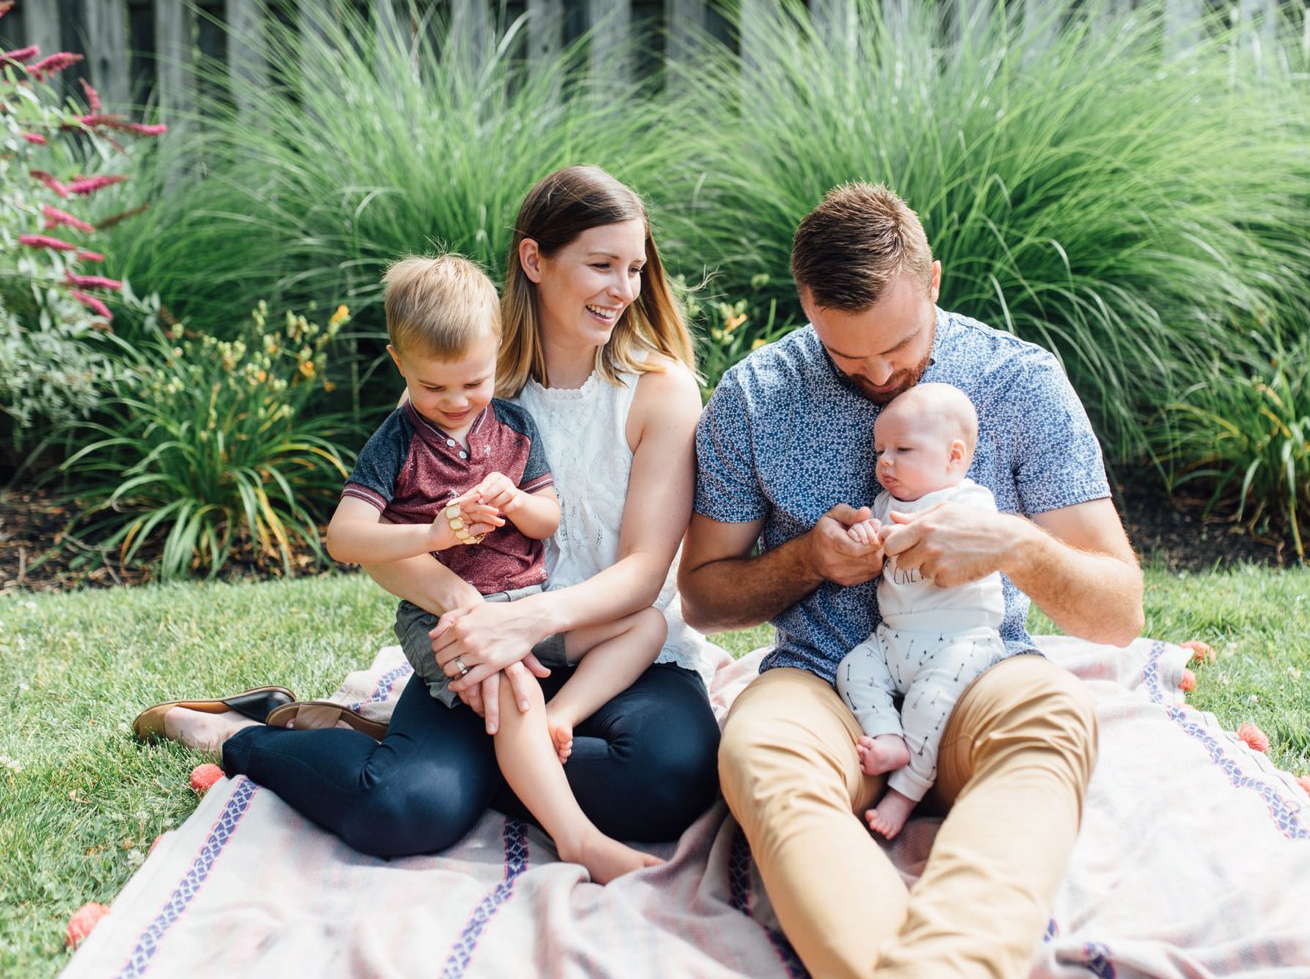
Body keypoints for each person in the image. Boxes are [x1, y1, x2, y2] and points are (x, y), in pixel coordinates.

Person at [135, 165, 720, 870]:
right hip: (473, 635)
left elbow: (644, 572)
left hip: (615, 650)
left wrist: (524, 624)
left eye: (633, 268)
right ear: (535, 260)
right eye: (600, 265)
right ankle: (231, 732)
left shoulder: (659, 389)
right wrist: (468, 610)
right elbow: (375, 542)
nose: (622, 290)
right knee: (403, 808)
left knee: (669, 778)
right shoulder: (465, 378)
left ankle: (450, 756)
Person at [678, 182, 1143, 978]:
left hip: (977, 669)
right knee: (758, 751)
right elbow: (703, 597)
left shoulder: (1019, 382)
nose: (881, 373)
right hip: (826, 683)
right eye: (848, 356)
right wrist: (806, 561)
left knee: (1056, 716)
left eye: (899, 346)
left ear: (931, 281)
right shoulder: (755, 397)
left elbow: (1120, 610)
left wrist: (1010, 544)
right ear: (808, 306)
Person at [319, 252, 666, 881]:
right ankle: (577, 838)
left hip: (528, 609)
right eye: (433, 386)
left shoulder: (513, 423)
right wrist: (429, 531)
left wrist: (518, 502)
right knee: (513, 688)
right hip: (443, 620)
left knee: (645, 626)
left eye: (472, 382)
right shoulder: (397, 441)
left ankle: (559, 720)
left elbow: (550, 518)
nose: (455, 401)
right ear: (400, 366)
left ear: (496, 353)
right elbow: (344, 537)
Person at [834, 381, 1008, 842]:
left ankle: (906, 793)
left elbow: (975, 538)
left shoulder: (970, 502)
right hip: (892, 637)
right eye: (881, 450)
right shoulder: (886, 504)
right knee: (853, 670)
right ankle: (887, 736)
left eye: (903, 449)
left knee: (929, 704)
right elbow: (875, 540)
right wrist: (862, 537)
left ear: (954, 456)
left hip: (960, 639)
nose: (885, 462)